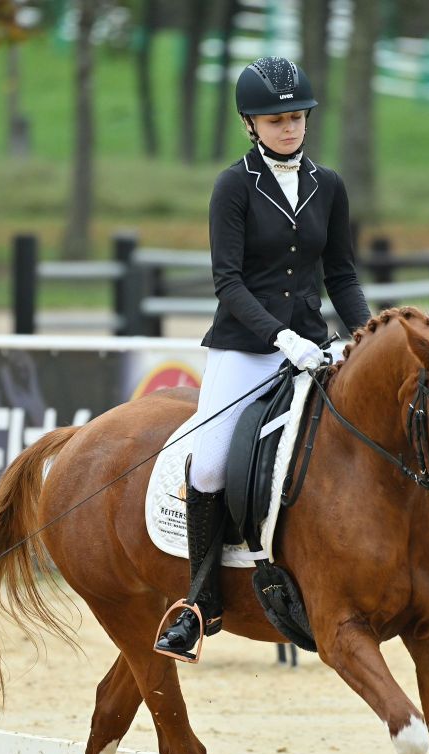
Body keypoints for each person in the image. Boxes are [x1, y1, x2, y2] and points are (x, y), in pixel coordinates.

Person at [154, 57, 372, 659]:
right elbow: (227, 282)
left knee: (377, 433)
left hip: (316, 348)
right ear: (251, 123)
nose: (290, 128)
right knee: (209, 468)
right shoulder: (234, 186)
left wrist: (369, 334)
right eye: (277, 120)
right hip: (247, 349)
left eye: (298, 117)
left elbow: (341, 275)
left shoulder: (329, 185)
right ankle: (199, 605)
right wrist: (280, 338)